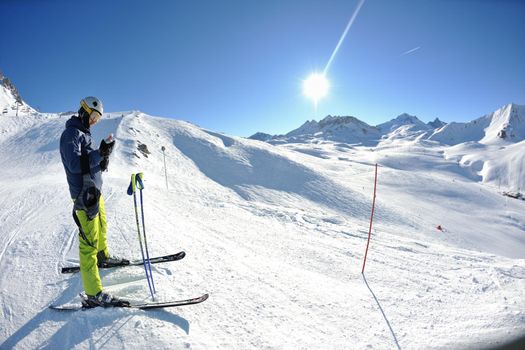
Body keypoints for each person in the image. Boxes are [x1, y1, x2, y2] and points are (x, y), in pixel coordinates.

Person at [60, 96, 129, 307]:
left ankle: (103, 256)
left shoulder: (84, 134)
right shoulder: (71, 134)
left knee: (101, 226)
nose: (94, 122)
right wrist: (98, 154)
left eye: (98, 119)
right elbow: (74, 164)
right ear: (84, 111)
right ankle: (93, 293)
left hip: (94, 193)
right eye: (93, 117)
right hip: (84, 195)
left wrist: (103, 156)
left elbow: (91, 162)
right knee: (88, 242)